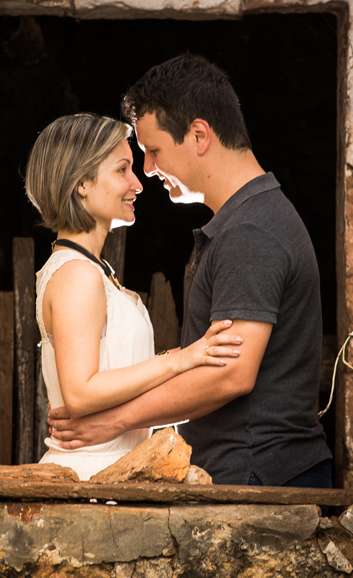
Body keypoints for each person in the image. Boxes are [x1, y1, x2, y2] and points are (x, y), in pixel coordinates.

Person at [47, 55, 333, 487]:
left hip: (259, 476)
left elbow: (230, 373)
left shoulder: (250, 232)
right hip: (253, 471)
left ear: (199, 136)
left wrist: (115, 421)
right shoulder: (248, 219)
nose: (147, 170)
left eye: (154, 151)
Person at [25, 113, 244, 480]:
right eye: (122, 170)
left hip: (116, 472)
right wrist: (178, 359)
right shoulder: (77, 274)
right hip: (89, 476)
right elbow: (80, 393)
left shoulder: (91, 269)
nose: (138, 184)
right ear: (82, 184)